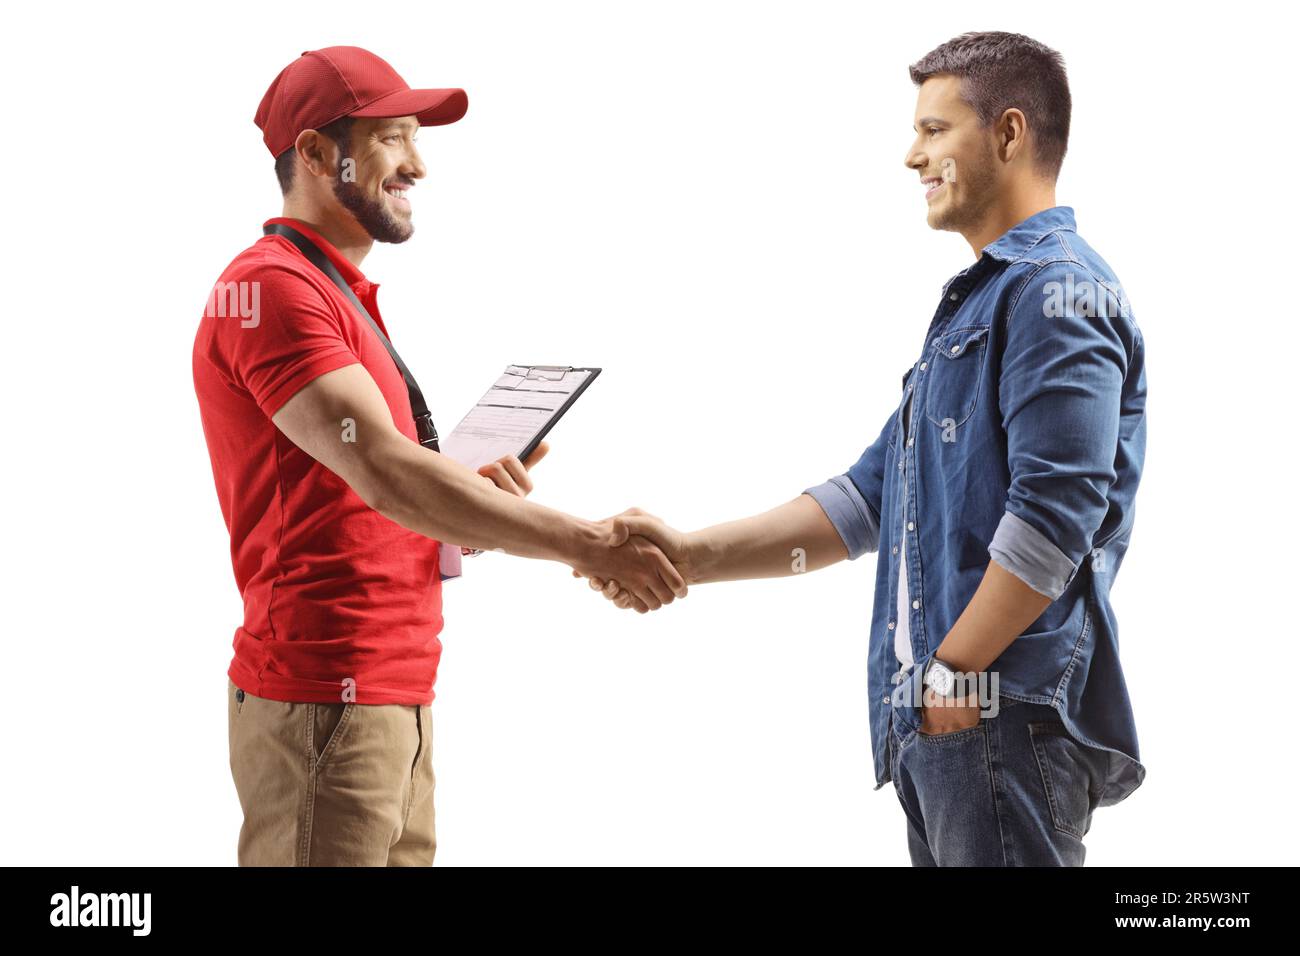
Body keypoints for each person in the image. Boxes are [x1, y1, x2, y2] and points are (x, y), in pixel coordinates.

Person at [583, 31, 1147, 866]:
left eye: (933, 130)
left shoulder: (1056, 289)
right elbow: (869, 499)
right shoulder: (978, 306)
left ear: (1009, 134)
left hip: (995, 717)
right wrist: (688, 556)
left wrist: (952, 675)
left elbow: (1057, 517)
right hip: (952, 731)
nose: (910, 155)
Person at [193, 46, 685, 866]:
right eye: (390, 137)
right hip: (323, 698)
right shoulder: (272, 288)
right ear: (315, 153)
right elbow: (385, 472)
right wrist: (588, 543)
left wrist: (464, 507)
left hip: (391, 698)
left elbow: (366, 492)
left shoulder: (337, 293)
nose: (417, 164)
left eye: (416, 138)